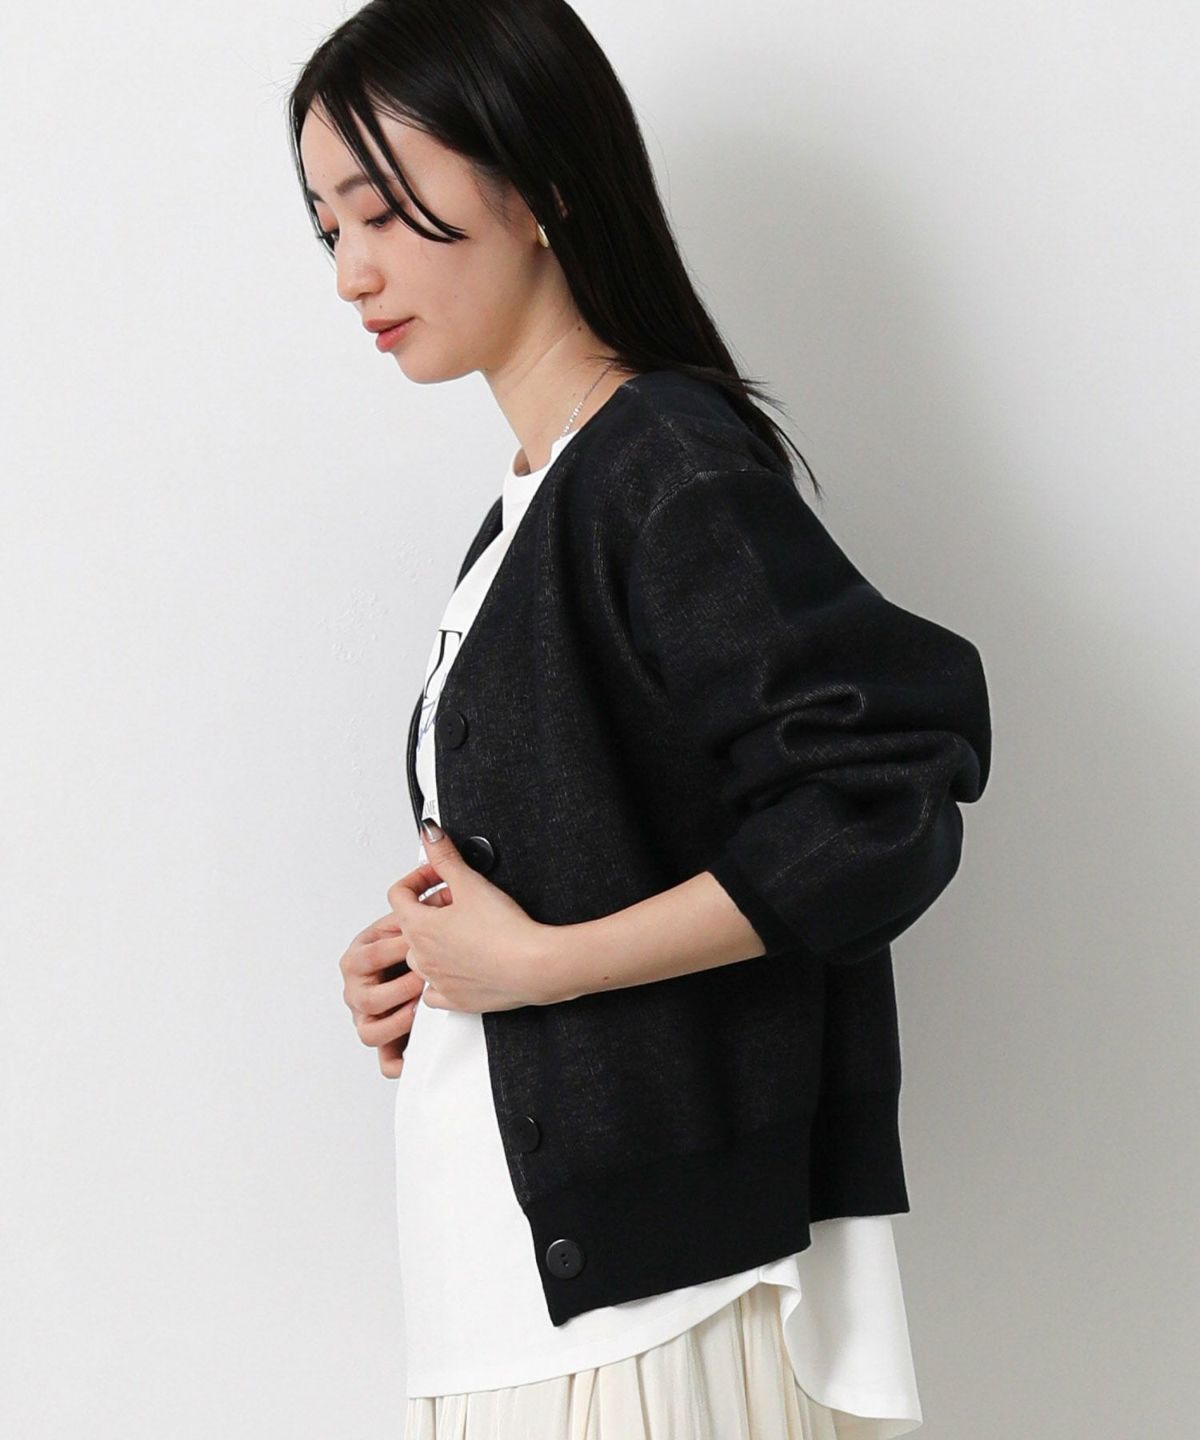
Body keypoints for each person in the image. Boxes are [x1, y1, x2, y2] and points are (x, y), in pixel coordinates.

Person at [291, 2, 991, 1436]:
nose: (353, 270)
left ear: (540, 181)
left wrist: (543, 965)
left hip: (651, 1307)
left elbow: (878, 801)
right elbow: (611, 835)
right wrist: (434, 967)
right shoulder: (534, 504)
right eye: (326, 227)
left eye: (383, 208)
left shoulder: (660, 464)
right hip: (514, 1285)